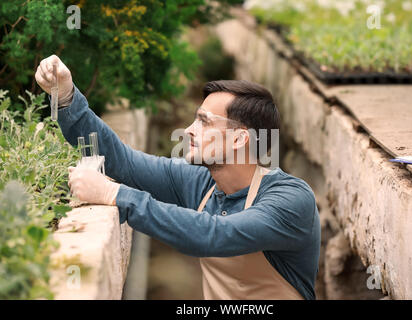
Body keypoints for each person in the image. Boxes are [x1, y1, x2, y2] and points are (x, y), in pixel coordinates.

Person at [35, 55, 321, 300]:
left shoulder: (291, 200)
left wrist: (116, 195)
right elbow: (124, 162)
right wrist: (67, 96)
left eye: (204, 121)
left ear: (239, 139)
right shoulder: (202, 182)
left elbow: (215, 234)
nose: (188, 130)